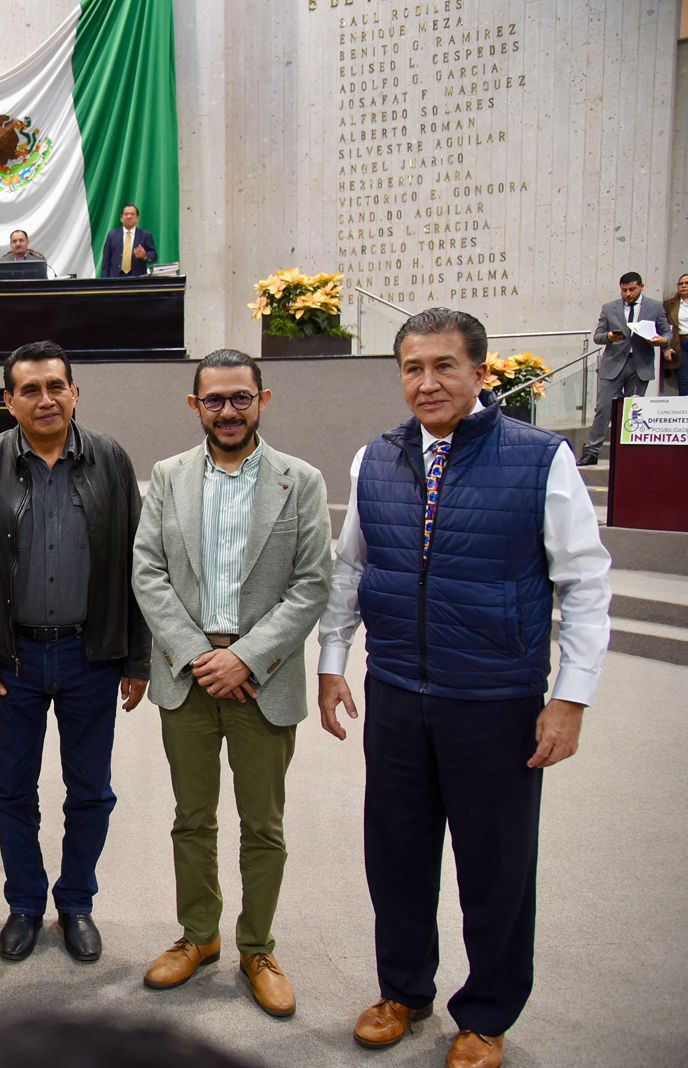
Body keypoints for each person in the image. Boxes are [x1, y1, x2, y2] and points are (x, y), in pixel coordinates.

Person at [318, 308, 611, 1068]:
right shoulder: (373, 458)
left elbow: (584, 582)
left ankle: (485, 1014)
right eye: (413, 368)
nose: (428, 382)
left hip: (494, 698)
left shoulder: (539, 458)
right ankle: (404, 991)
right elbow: (352, 567)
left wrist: (570, 697)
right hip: (398, 694)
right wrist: (332, 661)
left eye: (445, 366)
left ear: (481, 372)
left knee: (496, 867)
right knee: (397, 855)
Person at [130, 349, 331, 1019]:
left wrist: (245, 657)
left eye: (240, 398)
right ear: (195, 406)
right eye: (214, 400)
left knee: (263, 825)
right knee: (192, 818)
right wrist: (196, 653)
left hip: (262, 679)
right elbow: (148, 574)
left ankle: (257, 946)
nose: (227, 411)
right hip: (187, 679)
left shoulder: (299, 480)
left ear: (262, 400)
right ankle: (199, 936)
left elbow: (311, 585)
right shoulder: (167, 476)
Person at [0, 340, 149, 964]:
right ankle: (25, 904)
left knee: (91, 790)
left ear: (75, 392)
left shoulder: (110, 459)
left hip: (92, 654)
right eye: (29, 390)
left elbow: (138, 562)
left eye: (55, 386)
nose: (45, 399)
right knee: (14, 790)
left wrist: (137, 657)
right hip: (14, 660)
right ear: (9, 401)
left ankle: (78, 903)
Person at [579, 271, 671, 463]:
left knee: (633, 411)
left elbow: (666, 332)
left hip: (640, 365)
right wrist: (609, 337)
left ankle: (626, 455)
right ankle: (592, 452)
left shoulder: (654, 307)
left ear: (641, 287)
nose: (628, 294)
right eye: (624, 290)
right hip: (613, 363)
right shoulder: (609, 307)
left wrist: (663, 340)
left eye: (632, 289)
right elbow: (598, 336)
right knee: (603, 408)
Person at [99, 203, 157, 279]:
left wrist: (145, 255)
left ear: (137, 218)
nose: (129, 217)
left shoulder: (146, 235)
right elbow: (106, 262)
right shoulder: (112, 235)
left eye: (132, 214)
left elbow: (154, 257)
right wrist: (104, 282)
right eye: (126, 214)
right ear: (121, 218)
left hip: (138, 280)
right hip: (115, 279)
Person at [665, 272, 686, 396]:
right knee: (684, 380)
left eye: (687, 283)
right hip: (680, 344)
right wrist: (667, 347)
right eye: (681, 283)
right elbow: (665, 327)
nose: (684, 286)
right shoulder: (670, 304)